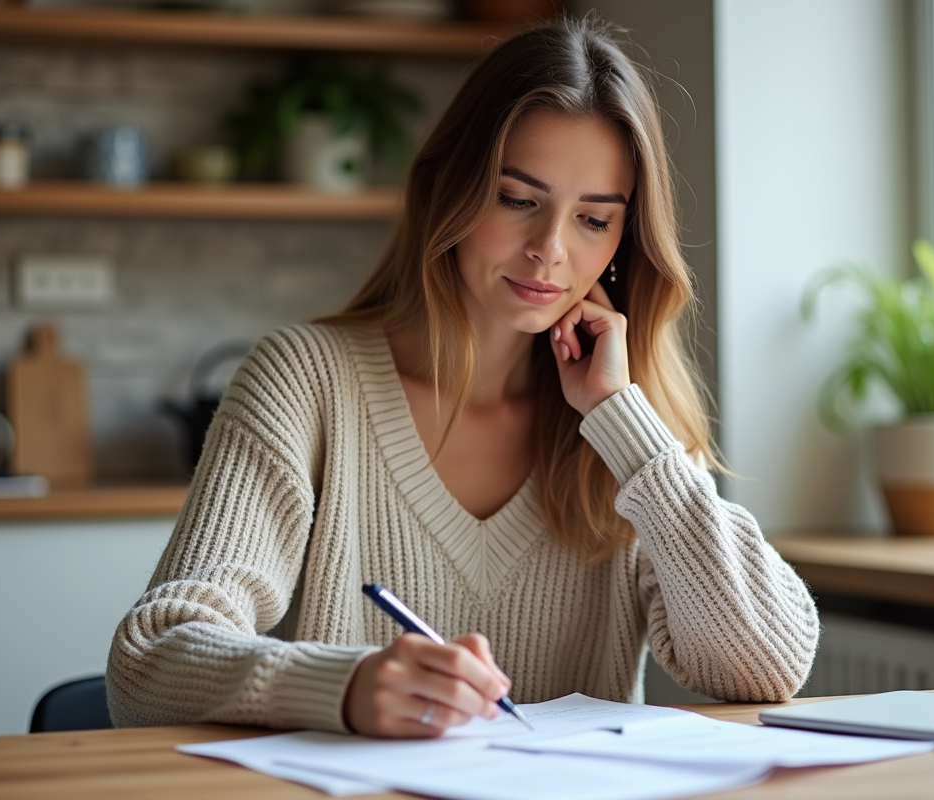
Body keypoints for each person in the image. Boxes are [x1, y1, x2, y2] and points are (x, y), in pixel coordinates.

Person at [106, 15, 819, 739]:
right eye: (518, 200)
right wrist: (344, 687)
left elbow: (767, 670)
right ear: (450, 187)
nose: (550, 249)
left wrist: (620, 421)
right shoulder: (305, 381)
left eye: (594, 219)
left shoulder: (633, 418)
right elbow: (148, 663)